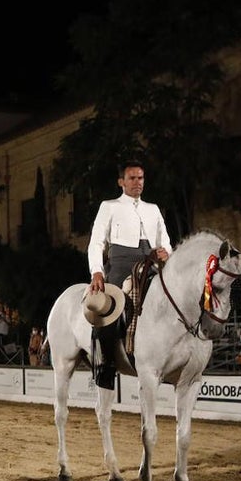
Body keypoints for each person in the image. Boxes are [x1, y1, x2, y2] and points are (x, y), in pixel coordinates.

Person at [84, 159, 172, 391]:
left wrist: (166, 253)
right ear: (121, 181)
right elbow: (96, 242)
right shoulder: (109, 206)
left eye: (140, 178)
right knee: (111, 308)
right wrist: (97, 271)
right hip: (121, 263)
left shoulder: (152, 209)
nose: (137, 182)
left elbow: (166, 242)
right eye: (132, 178)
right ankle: (106, 365)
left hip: (151, 262)